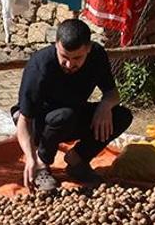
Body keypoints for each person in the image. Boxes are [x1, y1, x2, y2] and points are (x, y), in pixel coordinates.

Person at [12, 19, 133, 191]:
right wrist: (30, 158)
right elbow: (24, 119)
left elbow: (112, 93)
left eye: (77, 58)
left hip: (73, 114)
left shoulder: (97, 55)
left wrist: (105, 106)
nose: (69, 64)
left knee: (121, 116)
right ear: (56, 45)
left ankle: (77, 161)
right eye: (64, 57)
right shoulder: (40, 65)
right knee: (63, 116)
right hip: (41, 124)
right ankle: (42, 165)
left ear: (88, 49)